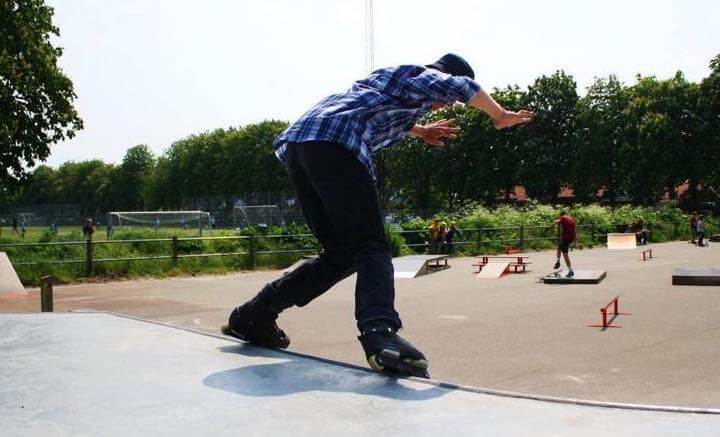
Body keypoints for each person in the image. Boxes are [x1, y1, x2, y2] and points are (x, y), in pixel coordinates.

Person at [221, 53, 533, 378]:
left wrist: (421, 130)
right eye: (449, 101)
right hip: (336, 144)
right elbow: (464, 85)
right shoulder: (417, 73)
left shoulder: (393, 88)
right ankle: (379, 333)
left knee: (340, 255)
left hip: (303, 147)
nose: (446, 105)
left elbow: (382, 110)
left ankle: (254, 314)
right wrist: (500, 114)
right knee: (373, 246)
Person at [550, 211, 576, 278]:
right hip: (570, 238)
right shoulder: (571, 219)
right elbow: (575, 231)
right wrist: (575, 242)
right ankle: (558, 261)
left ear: (561, 215)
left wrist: (551, 226)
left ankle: (570, 271)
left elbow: (556, 221)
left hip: (566, 239)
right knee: (559, 248)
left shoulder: (563, 217)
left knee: (565, 254)